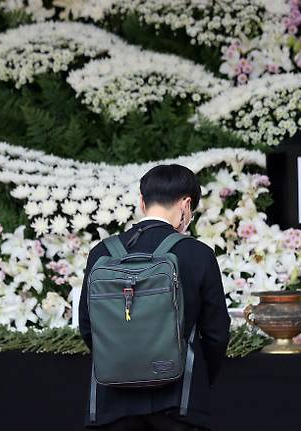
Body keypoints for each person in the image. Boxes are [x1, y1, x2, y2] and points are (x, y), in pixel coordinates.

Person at [78, 164, 231, 431]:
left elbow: (88, 326)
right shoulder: (198, 254)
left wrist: (121, 362)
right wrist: (202, 379)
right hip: (179, 402)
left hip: (112, 405)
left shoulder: (101, 252)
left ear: (142, 202)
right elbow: (216, 332)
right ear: (186, 204)